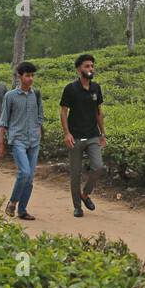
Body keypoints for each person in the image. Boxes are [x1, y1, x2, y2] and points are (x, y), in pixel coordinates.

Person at [60, 53, 106, 218]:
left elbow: (98, 112)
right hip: (76, 137)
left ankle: (85, 194)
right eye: (87, 66)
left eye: (92, 66)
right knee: (75, 173)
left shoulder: (96, 88)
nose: (90, 69)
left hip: (93, 135)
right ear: (79, 69)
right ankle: (77, 206)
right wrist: (67, 133)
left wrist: (103, 134)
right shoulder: (71, 89)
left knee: (99, 167)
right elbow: (64, 111)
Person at [0, 62, 42, 221]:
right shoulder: (10, 96)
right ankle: (13, 202)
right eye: (27, 75)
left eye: (32, 75)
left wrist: (39, 131)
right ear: (19, 76)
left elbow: (40, 116)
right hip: (17, 139)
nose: (30, 79)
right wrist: (0, 143)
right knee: (24, 172)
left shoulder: (36, 94)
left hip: (34, 141)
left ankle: (22, 210)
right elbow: (3, 120)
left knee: (30, 178)